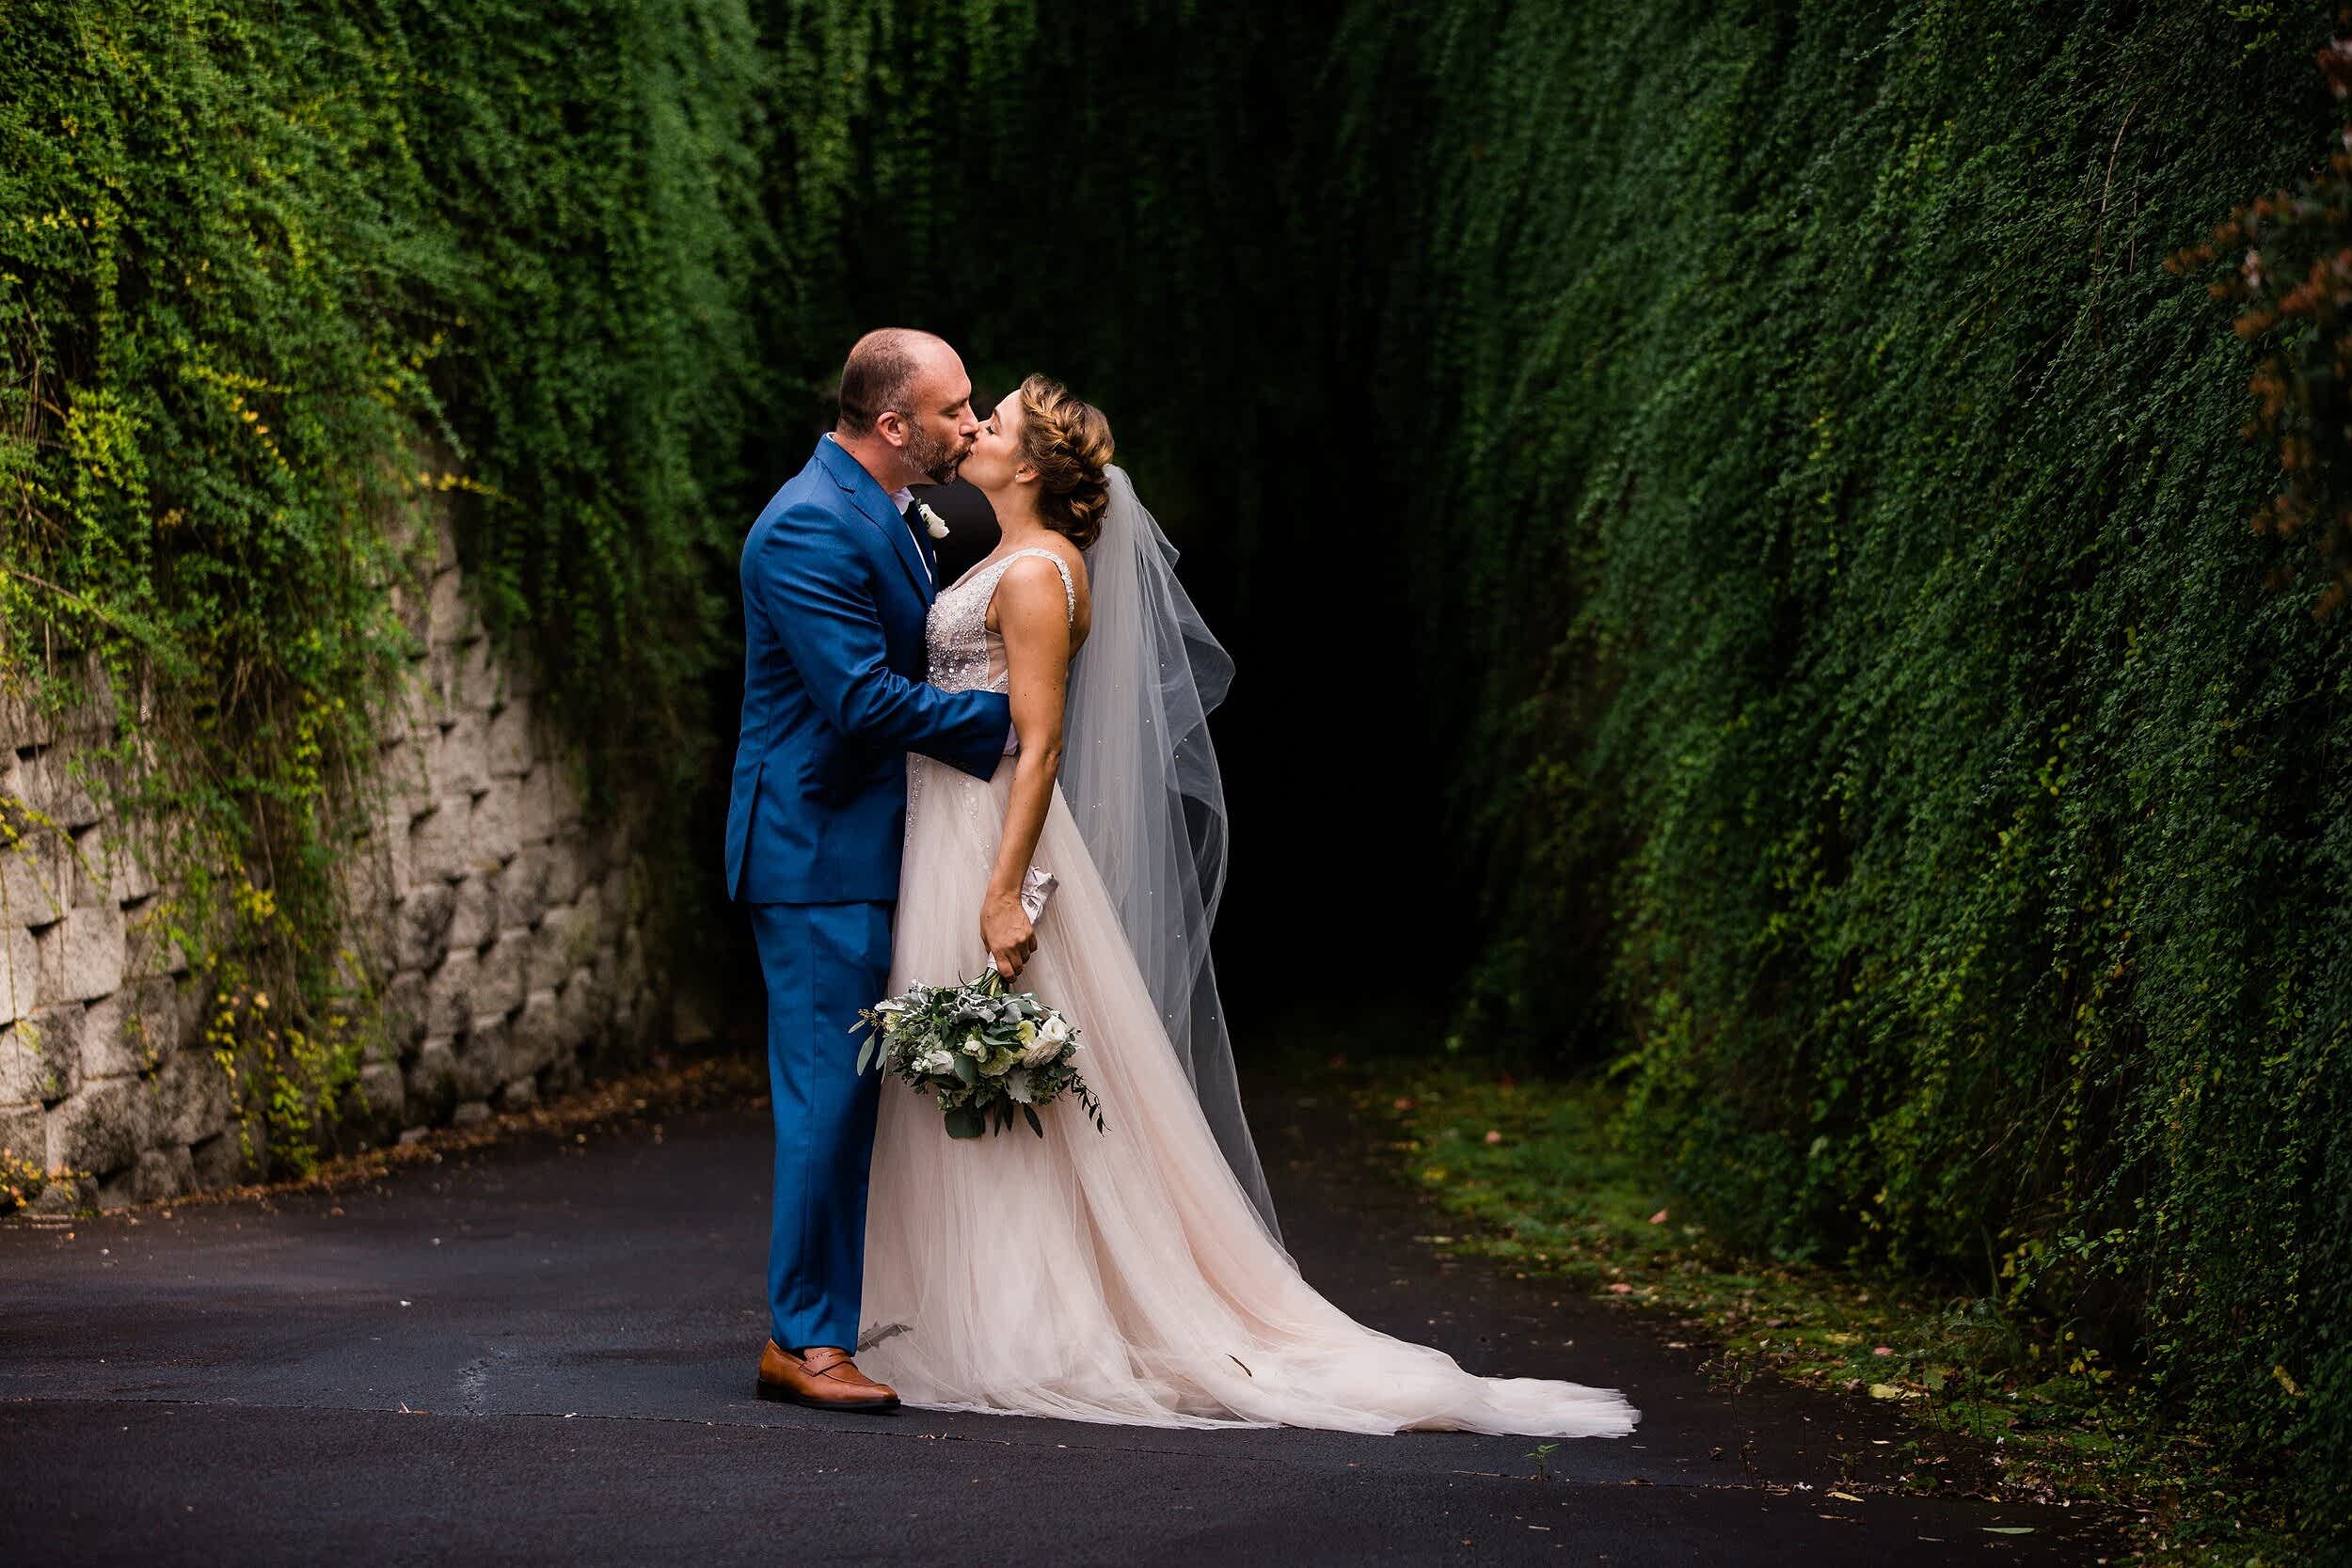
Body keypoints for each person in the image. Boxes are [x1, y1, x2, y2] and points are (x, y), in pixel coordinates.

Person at [856, 373, 1640, 1437]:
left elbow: (1037, 744)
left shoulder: (1039, 572)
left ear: (1031, 465)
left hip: (991, 840)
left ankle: (1029, 1324)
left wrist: (1002, 890)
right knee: (976, 1077)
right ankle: (959, 1303)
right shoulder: (997, 555)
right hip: (946, 825)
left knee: (1013, 1081)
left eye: (992, 422)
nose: (977, 428)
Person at [725, 329, 1011, 1412]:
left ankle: (830, 1321)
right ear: (893, 426)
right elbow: (858, 698)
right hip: (812, 854)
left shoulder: (886, 507)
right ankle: (801, 1340)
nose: (972, 425)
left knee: (853, 1102)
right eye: (954, 410)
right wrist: (1011, 721)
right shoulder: (806, 525)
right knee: (825, 1108)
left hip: (866, 844)